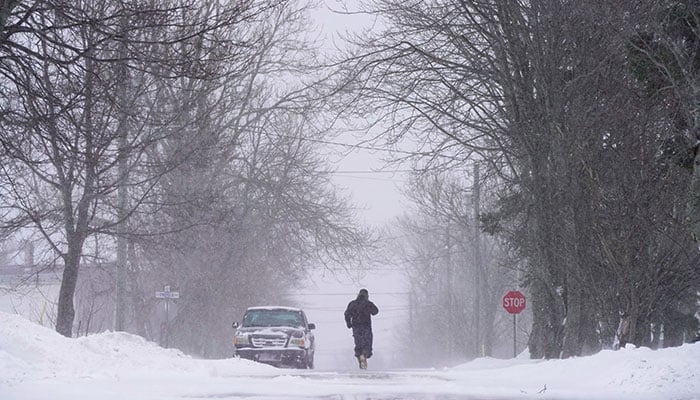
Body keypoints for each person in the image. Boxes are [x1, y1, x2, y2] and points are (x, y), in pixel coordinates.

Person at [344, 288, 379, 369]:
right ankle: (364, 355)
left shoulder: (352, 304)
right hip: (366, 327)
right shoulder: (368, 304)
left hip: (356, 327)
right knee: (367, 344)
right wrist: (369, 306)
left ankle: (360, 359)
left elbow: (347, 314)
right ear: (367, 296)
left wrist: (349, 323)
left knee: (358, 344)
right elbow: (376, 311)